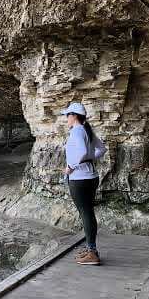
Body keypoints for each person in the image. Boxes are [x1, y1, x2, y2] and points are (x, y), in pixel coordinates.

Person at [61, 101, 107, 265]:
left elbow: (80, 151)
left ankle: (92, 253)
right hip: (91, 176)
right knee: (88, 212)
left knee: (85, 213)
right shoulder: (87, 130)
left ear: (73, 116)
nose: (66, 118)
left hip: (79, 179)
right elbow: (101, 150)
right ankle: (90, 249)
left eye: (67, 115)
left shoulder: (77, 132)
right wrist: (88, 158)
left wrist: (70, 167)